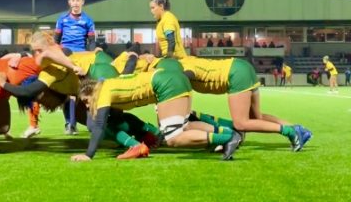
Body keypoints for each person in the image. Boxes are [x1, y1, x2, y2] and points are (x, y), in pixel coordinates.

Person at [73, 58, 242, 161]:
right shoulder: (108, 85)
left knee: (173, 138)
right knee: (185, 126)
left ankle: (228, 138)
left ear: (91, 92)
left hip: (165, 85)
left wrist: (88, 155)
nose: (88, 106)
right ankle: (228, 134)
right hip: (172, 81)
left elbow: (100, 124)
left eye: (87, 102)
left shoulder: (101, 91)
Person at [180, 56, 311, 150]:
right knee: (256, 117)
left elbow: (187, 75)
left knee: (241, 123)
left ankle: (290, 132)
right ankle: (298, 129)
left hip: (235, 74)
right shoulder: (185, 60)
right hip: (242, 66)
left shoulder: (180, 69)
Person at [54, 0, 96, 134]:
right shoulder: (62, 19)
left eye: (78, 0)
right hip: (66, 58)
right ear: (69, 2)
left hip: (82, 57)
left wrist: (93, 53)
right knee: (68, 92)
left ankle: (91, 121)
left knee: (85, 90)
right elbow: (56, 42)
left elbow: (91, 43)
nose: (76, 3)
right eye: (73, 0)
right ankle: (68, 123)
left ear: (83, 2)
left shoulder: (88, 20)